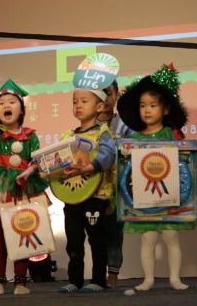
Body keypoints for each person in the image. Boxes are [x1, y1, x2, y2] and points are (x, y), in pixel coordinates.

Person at [117, 64, 197, 293]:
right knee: (148, 240)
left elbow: (190, 160)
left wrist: (194, 168)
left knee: (170, 238)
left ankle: (175, 278)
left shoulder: (172, 135)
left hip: (172, 197)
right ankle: (148, 279)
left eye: (153, 105)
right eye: (142, 106)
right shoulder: (135, 139)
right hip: (145, 200)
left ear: (165, 109)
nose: (147, 110)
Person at [0, 79, 47, 296]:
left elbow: (36, 160)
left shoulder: (30, 135)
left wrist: (29, 171)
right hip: (0, 187)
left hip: (22, 188)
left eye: (12, 102)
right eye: (1, 102)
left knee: (22, 233)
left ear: (22, 109)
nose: (7, 105)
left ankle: (20, 282)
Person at [56, 87, 116, 293]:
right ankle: (75, 280)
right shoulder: (69, 135)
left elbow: (108, 155)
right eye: (75, 102)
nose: (78, 106)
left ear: (100, 106)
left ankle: (98, 280)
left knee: (97, 240)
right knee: (74, 242)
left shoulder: (103, 132)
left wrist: (90, 167)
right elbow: (56, 160)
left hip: (96, 196)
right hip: (73, 197)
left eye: (84, 101)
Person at [97, 80, 133, 288]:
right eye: (99, 93)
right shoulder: (86, 125)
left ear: (117, 95)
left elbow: (136, 148)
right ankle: (96, 274)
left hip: (116, 188)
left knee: (114, 232)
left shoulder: (124, 124)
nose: (104, 98)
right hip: (92, 189)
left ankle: (113, 272)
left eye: (108, 93)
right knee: (94, 234)